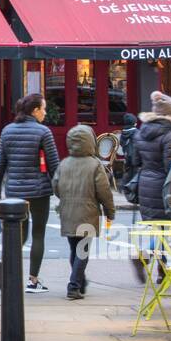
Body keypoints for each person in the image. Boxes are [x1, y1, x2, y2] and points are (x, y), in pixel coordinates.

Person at [0, 92, 61, 294]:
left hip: (14, 191)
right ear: (35, 110)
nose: (45, 113)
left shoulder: (7, 131)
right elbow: (55, 167)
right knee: (38, 234)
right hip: (39, 190)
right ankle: (33, 280)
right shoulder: (43, 132)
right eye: (43, 109)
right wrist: (62, 194)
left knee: (16, 235)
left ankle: (7, 268)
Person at [52, 124, 116, 300]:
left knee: (75, 250)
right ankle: (74, 286)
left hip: (68, 211)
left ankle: (80, 280)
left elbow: (56, 186)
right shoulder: (95, 165)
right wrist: (110, 211)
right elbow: (104, 191)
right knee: (83, 251)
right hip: (88, 212)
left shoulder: (64, 163)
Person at [131, 91, 171, 282]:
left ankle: (161, 271)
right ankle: (145, 256)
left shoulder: (141, 132)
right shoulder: (168, 136)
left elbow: (135, 160)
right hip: (162, 185)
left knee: (158, 228)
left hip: (145, 182)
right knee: (165, 228)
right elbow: (170, 167)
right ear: (170, 115)